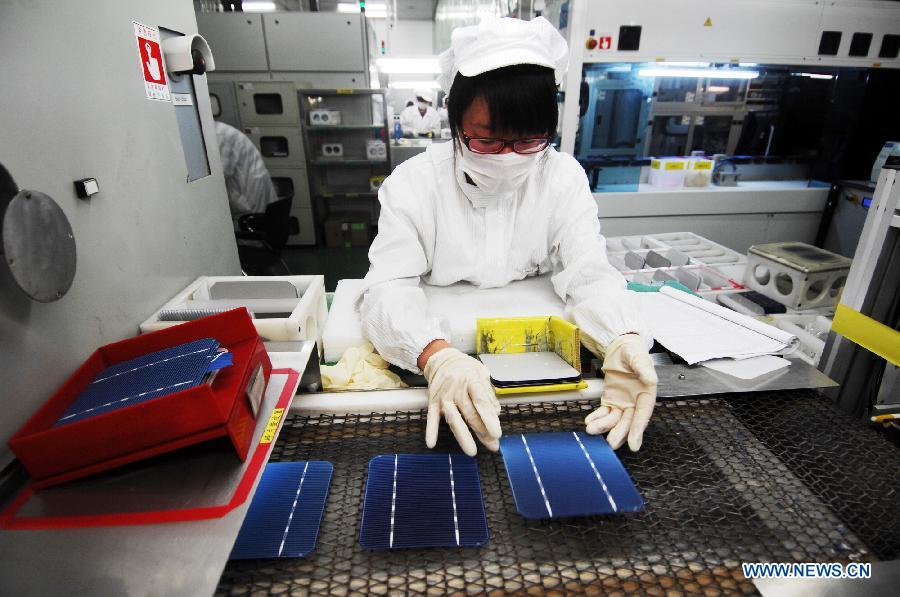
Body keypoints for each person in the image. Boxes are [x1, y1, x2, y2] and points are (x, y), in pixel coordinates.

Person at [360, 17, 657, 457]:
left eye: (528, 141)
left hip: (544, 360)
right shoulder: (415, 185)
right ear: (455, 122)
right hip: (437, 361)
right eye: (486, 141)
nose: (508, 158)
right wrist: (435, 355)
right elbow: (386, 289)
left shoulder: (561, 178)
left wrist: (621, 337)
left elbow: (589, 272)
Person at [214, 120, 278, 219]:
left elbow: (216, 179)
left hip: (249, 199)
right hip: (252, 191)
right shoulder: (219, 131)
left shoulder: (218, 135)